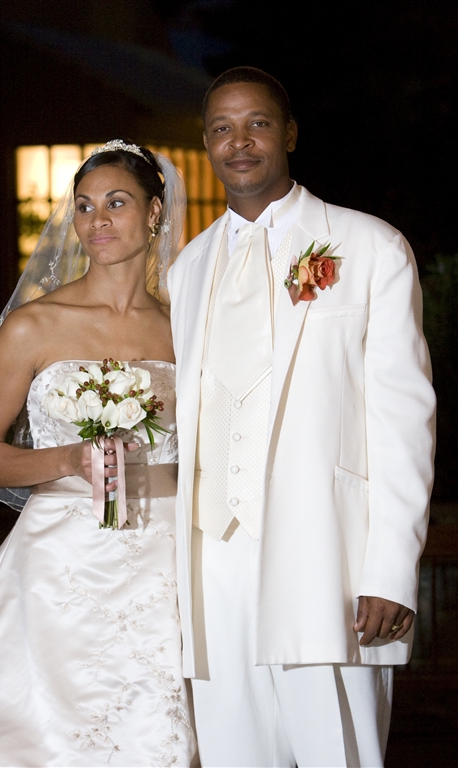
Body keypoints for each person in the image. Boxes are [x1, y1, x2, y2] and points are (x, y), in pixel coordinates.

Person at [167, 67, 436, 767]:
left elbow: (404, 419)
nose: (239, 142)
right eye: (222, 128)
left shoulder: (370, 245)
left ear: (288, 133)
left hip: (328, 558)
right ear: (206, 143)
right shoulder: (187, 268)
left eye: (256, 123)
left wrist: (390, 570)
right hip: (212, 564)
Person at [0, 140, 197, 768]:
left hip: (168, 561)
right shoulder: (33, 325)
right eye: (84, 206)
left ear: (155, 212)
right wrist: (67, 460)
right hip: (60, 563)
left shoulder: (187, 329)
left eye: (117, 202)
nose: (97, 220)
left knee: (158, 735)